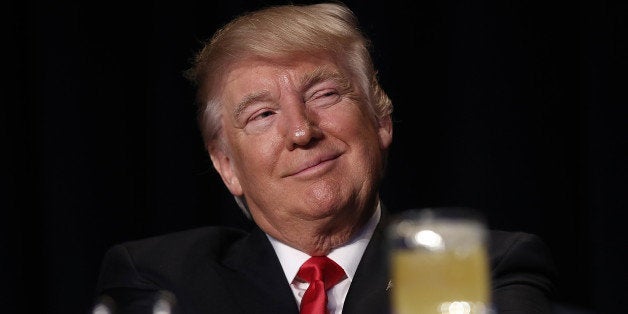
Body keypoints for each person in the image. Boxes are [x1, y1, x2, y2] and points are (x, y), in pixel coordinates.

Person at [95, 2, 556, 313]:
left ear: (381, 120)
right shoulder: (163, 278)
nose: (300, 130)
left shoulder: (473, 263)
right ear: (227, 166)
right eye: (262, 114)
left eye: (326, 94)